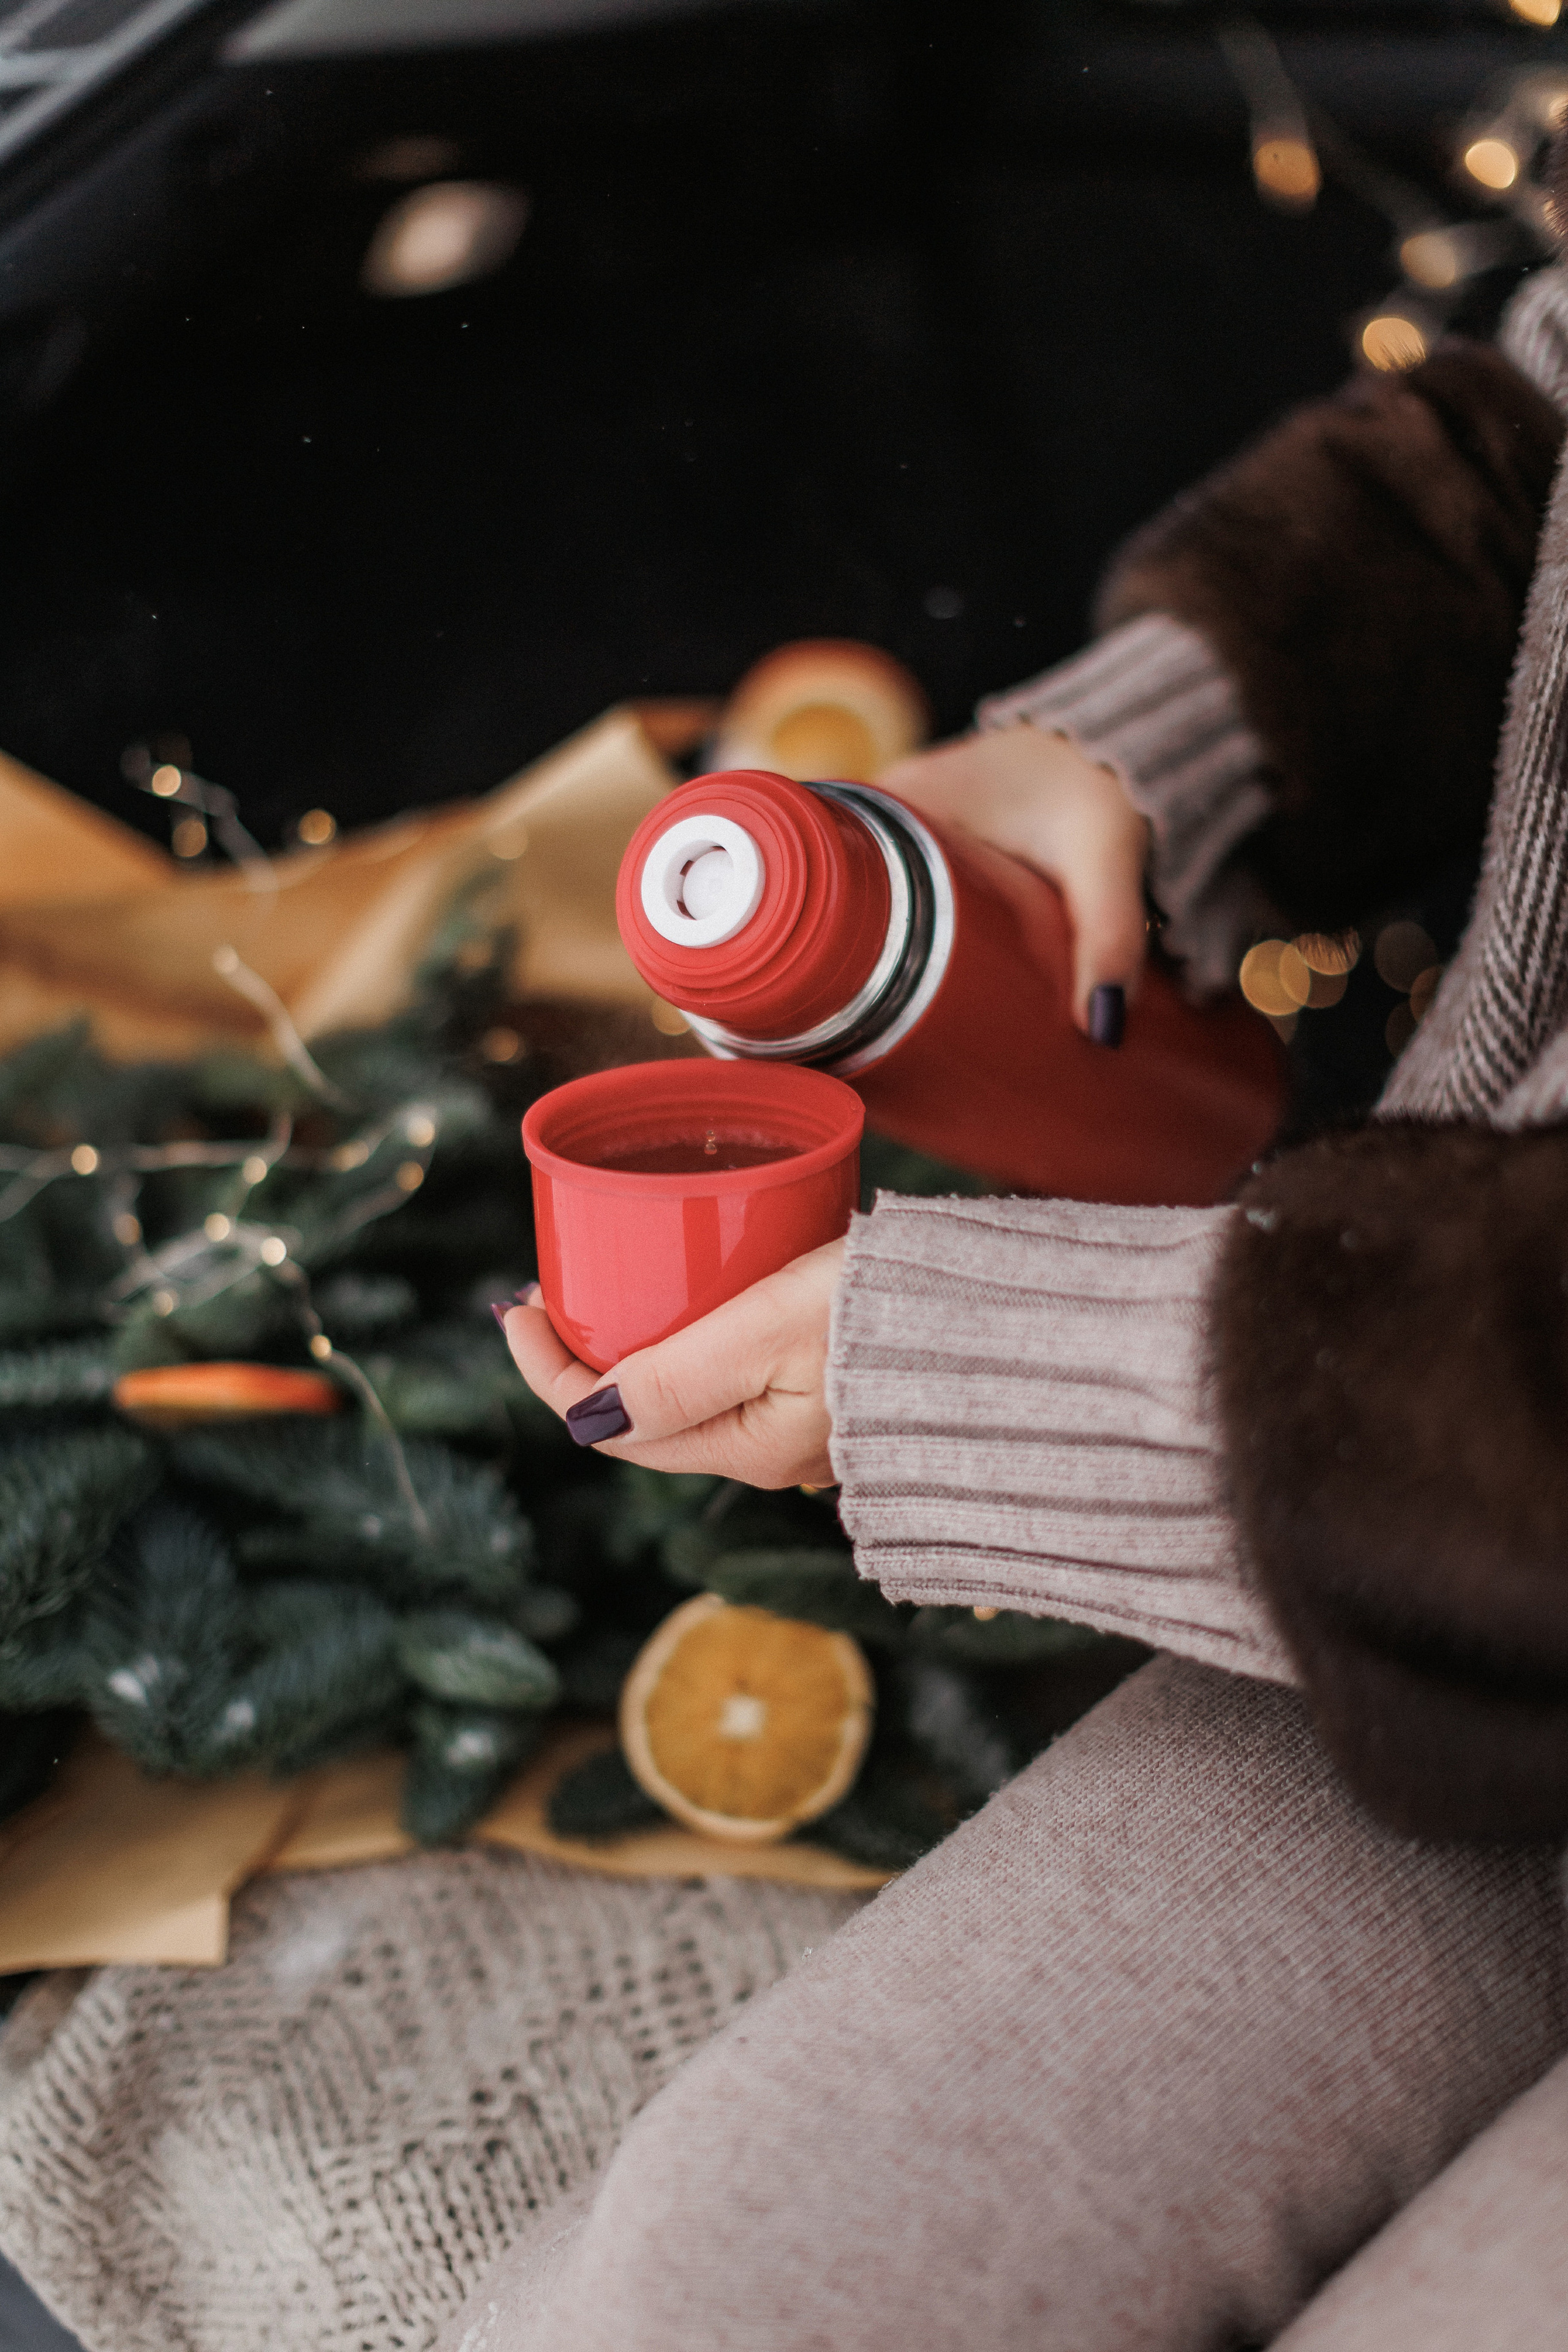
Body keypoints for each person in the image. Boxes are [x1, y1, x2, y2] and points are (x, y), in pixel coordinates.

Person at [458, 209, 1568, 2350]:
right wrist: (1162, 737)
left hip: (1467, 1465)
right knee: (734, 2274)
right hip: (1454, 1546)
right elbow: (1546, 416)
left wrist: (1111, 1383)